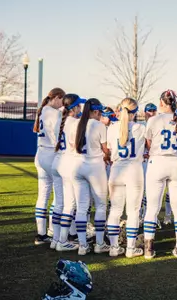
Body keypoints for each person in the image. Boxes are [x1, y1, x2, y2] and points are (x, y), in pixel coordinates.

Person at [143, 90, 177, 259]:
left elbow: (148, 143)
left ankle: (149, 247)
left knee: (152, 208)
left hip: (157, 162)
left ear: (162, 102)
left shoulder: (153, 120)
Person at [67, 98, 111, 255]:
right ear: (97, 111)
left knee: (82, 207)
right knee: (100, 205)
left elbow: (73, 146)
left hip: (77, 166)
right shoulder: (99, 125)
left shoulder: (75, 123)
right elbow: (105, 149)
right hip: (94, 166)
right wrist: (109, 156)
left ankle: (83, 245)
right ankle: (99, 243)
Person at [106, 98, 145, 258]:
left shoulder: (111, 128)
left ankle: (114, 247)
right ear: (134, 112)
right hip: (134, 170)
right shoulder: (140, 128)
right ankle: (130, 248)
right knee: (133, 212)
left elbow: (108, 149)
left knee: (115, 210)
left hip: (116, 169)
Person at [51, 94, 85, 251]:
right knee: (69, 205)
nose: (81, 108)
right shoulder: (75, 123)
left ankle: (55, 239)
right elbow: (76, 145)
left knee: (59, 203)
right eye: (79, 105)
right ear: (75, 107)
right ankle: (63, 241)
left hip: (56, 161)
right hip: (68, 163)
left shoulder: (59, 120)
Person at [33, 87, 65, 245]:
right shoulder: (55, 113)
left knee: (43, 196)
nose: (62, 104)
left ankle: (41, 234)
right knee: (60, 196)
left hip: (40, 154)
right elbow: (57, 137)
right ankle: (54, 231)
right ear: (57, 97)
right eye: (62, 100)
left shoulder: (41, 110)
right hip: (51, 154)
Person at [139, 103, 158, 222]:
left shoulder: (157, 125)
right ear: (144, 112)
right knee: (140, 189)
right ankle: (140, 214)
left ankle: (148, 215)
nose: (151, 113)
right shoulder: (140, 126)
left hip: (152, 160)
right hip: (141, 161)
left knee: (150, 190)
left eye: (153, 111)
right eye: (149, 111)